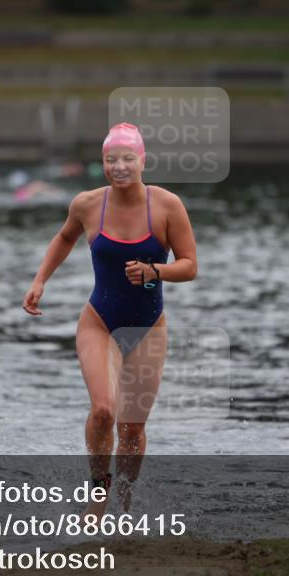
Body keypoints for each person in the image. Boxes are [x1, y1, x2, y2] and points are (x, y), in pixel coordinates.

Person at [22, 122, 198, 519]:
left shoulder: (167, 206)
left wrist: (155, 271)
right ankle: (99, 492)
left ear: (142, 161)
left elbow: (189, 266)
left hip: (148, 328)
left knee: (132, 430)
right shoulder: (87, 204)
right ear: (102, 163)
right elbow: (65, 237)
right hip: (99, 320)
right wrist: (39, 281)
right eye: (110, 159)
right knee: (103, 410)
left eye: (127, 158)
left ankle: (126, 500)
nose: (119, 166)